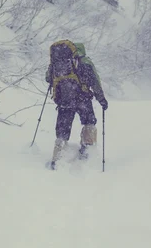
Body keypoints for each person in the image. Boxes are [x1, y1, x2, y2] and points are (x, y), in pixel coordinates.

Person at [45, 41, 108, 169]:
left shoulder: (57, 63)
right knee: (89, 122)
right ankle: (87, 151)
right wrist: (101, 99)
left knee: (62, 129)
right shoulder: (85, 62)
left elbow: (48, 78)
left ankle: (57, 157)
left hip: (64, 100)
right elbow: (94, 81)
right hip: (82, 99)